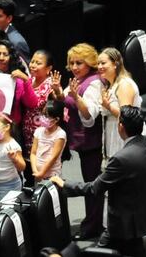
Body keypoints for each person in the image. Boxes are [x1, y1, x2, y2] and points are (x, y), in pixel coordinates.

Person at [51, 106, 146, 257]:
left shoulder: (121, 159)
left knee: (98, 252)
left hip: (125, 223)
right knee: (135, 249)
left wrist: (64, 184)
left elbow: (94, 188)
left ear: (121, 126)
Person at [50, 43, 103, 239]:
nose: (74, 66)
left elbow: (89, 118)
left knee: (93, 186)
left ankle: (92, 227)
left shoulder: (93, 83)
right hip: (81, 142)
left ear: (89, 63)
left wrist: (75, 96)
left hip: (92, 142)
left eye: (79, 62)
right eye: (71, 63)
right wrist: (57, 90)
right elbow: (62, 100)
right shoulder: (78, 80)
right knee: (90, 183)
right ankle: (92, 223)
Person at [97, 48, 143, 159]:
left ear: (115, 64)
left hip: (126, 136)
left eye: (103, 63)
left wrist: (108, 106)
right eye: (98, 64)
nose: (99, 67)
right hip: (114, 135)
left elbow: (127, 117)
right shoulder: (110, 85)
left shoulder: (124, 84)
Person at [0, 40, 37, 127]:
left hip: (11, 130)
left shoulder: (18, 81)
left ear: (11, 58)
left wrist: (26, 80)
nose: (1, 58)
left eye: (5, 55)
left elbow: (32, 104)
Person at [22, 50, 56, 150]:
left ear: (48, 68)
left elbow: (36, 104)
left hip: (43, 135)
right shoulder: (30, 79)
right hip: (27, 133)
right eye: (32, 61)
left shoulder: (51, 84)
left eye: (38, 63)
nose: (33, 65)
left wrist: (25, 80)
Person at [30, 99, 67, 181]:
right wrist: (35, 171)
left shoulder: (60, 134)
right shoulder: (38, 131)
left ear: (56, 119)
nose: (43, 118)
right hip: (38, 175)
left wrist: (41, 173)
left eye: (46, 116)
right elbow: (33, 153)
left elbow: (53, 158)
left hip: (52, 177)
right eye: (43, 114)